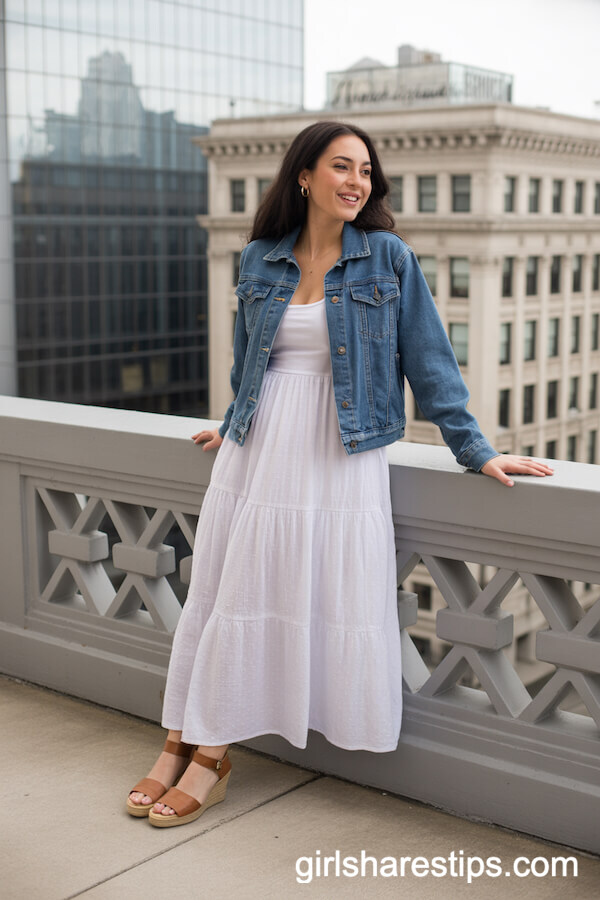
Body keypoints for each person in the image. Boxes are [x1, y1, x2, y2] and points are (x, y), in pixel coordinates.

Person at [126, 121, 553, 827]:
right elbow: (251, 361)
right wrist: (233, 419)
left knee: (279, 588)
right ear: (304, 175)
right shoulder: (262, 257)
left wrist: (474, 448)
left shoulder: (387, 258)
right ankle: (183, 739)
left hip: (336, 450)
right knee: (230, 592)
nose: (357, 181)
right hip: (257, 448)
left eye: (365, 171)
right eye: (341, 167)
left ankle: (207, 755)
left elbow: (430, 362)